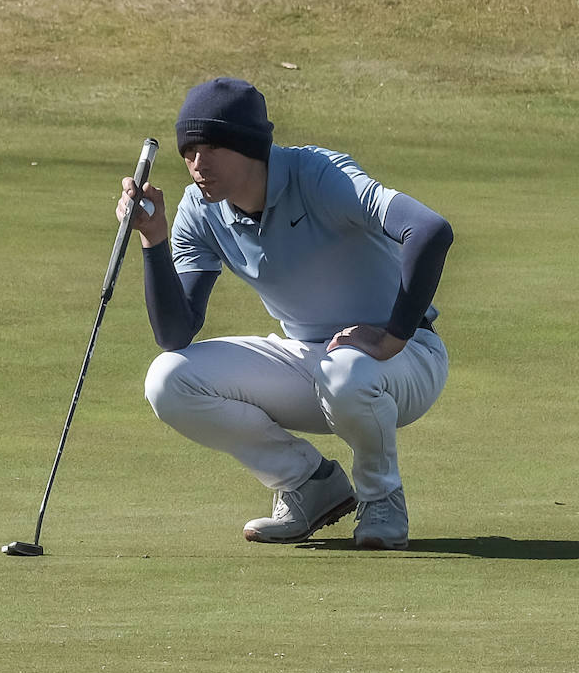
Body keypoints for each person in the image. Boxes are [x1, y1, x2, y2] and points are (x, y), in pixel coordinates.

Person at [116, 77, 453, 549]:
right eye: (188, 150)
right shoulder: (200, 209)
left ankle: (382, 499)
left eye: (210, 147)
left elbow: (429, 230)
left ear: (248, 146)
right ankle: (308, 484)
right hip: (309, 359)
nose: (196, 163)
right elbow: (176, 332)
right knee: (168, 379)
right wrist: (153, 239)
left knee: (347, 370)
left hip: (406, 358)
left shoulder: (318, 173)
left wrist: (393, 336)